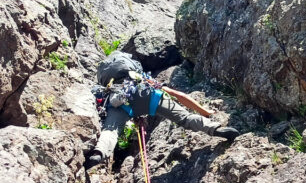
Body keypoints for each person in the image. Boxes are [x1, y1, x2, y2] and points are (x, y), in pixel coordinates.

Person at [87, 51, 238, 165]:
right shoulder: (144, 79)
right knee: (184, 118)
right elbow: (179, 95)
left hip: (119, 101)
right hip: (148, 95)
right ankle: (215, 129)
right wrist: (205, 111)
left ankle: (99, 153)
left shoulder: (110, 86)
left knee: (110, 131)